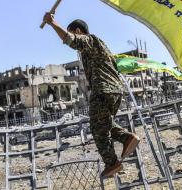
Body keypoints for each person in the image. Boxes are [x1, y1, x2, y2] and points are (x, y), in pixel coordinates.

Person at [43, 12, 140, 177]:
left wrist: (52, 23)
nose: (65, 38)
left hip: (103, 89)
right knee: (104, 124)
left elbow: (69, 40)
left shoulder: (90, 40)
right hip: (115, 90)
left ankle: (112, 163)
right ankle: (127, 138)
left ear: (79, 31)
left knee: (97, 129)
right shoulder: (95, 47)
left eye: (72, 32)